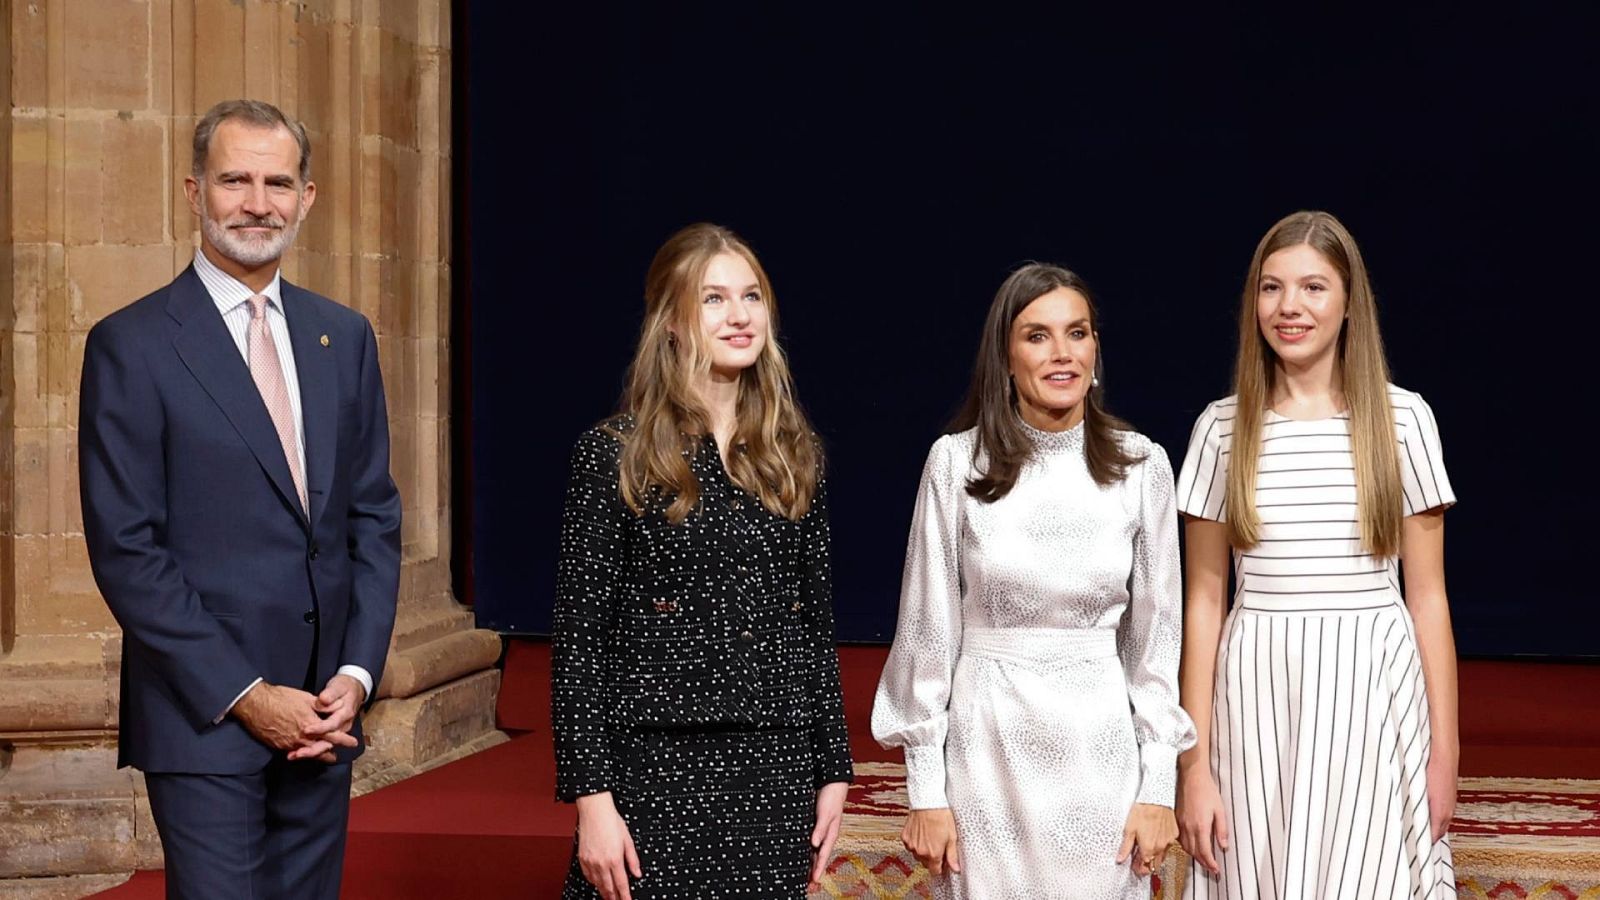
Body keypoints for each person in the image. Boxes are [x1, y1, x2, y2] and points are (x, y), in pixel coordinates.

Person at [77, 99, 402, 899]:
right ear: (194, 192)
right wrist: (249, 697)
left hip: (324, 719)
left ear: (307, 197)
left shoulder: (344, 336)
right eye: (235, 180)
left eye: (278, 182)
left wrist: (355, 676)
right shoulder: (133, 344)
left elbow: (372, 519)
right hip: (205, 717)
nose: (258, 202)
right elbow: (127, 547)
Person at [872, 263, 1196, 898]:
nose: (1062, 353)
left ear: (1096, 348)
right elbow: (927, 631)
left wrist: (1158, 784)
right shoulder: (956, 462)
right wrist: (926, 790)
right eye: (1038, 336)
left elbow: (1156, 642)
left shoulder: (1142, 465)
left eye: (1077, 333)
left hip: (1099, 754)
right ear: (1006, 355)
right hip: (985, 750)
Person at [551, 223, 854, 900]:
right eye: (713, 299)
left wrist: (832, 766)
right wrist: (591, 800)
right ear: (671, 322)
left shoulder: (795, 454)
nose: (739, 315)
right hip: (654, 771)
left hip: (773, 772)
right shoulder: (614, 455)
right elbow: (579, 645)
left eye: (751, 296)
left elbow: (813, 625)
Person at [1174, 211, 1458, 898]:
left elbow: (1428, 598)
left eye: (1312, 287)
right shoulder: (1220, 430)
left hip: (1373, 690)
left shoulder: (1402, 421)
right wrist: (1194, 767)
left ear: (1350, 302)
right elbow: (1205, 604)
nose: (1289, 307)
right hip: (1258, 693)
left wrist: (1445, 750)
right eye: (1272, 288)